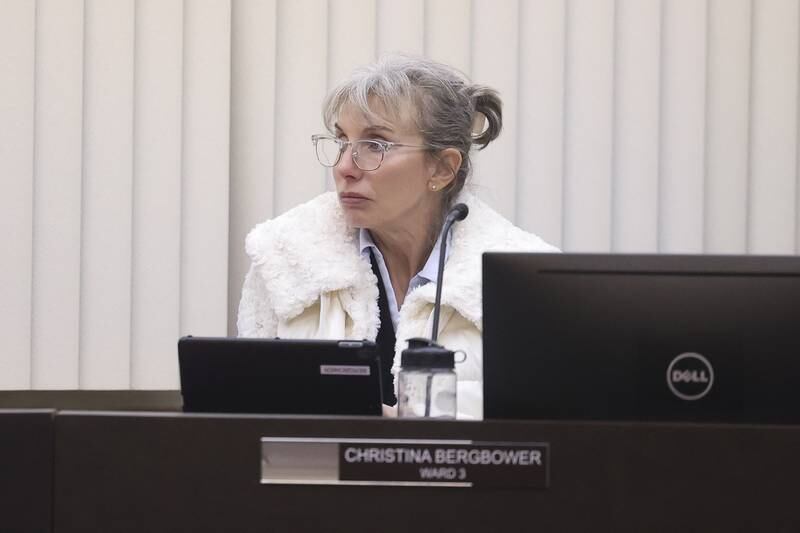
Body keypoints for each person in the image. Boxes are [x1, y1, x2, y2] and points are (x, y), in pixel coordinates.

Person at [237, 55, 558, 419]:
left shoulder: (521, 282)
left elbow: (544, 423)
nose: (344, 167)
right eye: (343, 141)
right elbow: (252, 415)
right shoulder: (283, 258)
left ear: (442, 168)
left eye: (375, 144)